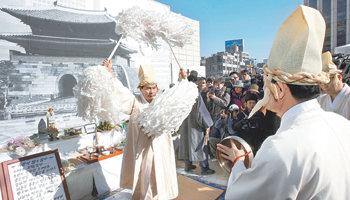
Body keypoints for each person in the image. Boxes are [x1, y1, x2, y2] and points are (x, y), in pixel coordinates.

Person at [217, 5, 350, 199]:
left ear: (279, 89)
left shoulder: (282, 148)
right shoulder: (343, 125)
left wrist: (239, 162)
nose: (263, 92)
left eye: (265, 85)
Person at [103, 59, 191, 200]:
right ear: (140, 89)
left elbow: (178, 97)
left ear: (157, 88)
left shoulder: (162, 102)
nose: (151, 91)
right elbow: (120, 93)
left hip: (160, 147)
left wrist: (182, 80)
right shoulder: (134, 102)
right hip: (142, 150)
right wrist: (110, 74)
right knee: (144, 177)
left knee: (160, 178)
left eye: (153, 88)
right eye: (147, 88)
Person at [178, 73, 215, 175]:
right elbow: (200, 111)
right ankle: (204, 168)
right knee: (200, 145)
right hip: (195, 124)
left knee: (186, 144)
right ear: (195, 82)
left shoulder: (181, 92)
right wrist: (207, 124)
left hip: (185, 123)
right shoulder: (194, 93)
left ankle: (188, 165)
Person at [318, 51, 350, 119]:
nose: (324, 85)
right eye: (320, 82)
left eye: (327, 80)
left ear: (339, 77)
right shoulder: (321, 100)